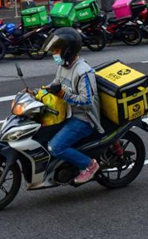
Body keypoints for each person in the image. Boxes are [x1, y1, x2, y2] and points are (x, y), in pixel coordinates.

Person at [40, 28, 102, 184]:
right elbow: (54, 85)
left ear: (68, 51)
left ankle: (89, 165)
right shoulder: (64, 66)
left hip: (83, 118)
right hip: (65, 113)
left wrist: (63, 95)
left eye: (56, 50)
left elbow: (87, 100)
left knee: (55, 147)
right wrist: (35, 93)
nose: (54, 54)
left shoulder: (83, 72)